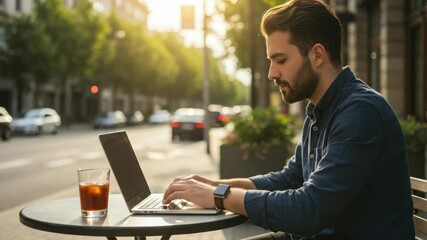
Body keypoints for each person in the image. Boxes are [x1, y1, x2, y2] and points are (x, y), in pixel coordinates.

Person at [162, 0, 415, 239]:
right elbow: (289, 178)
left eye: (280, 60)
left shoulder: (361, 112)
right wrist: (214, 185)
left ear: (317, 55)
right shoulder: (320, 111)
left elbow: (309, 209)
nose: (272, 73)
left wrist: (220, 196)